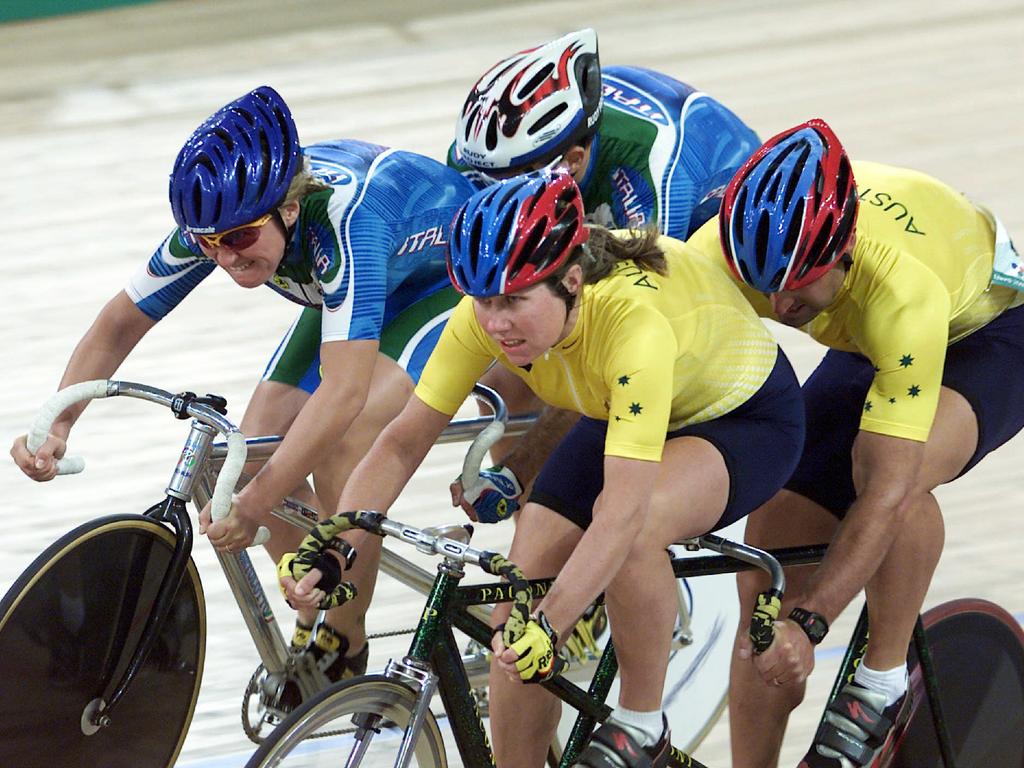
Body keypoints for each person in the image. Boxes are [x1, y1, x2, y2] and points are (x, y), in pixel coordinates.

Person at [284, 169, 806, 768]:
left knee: (634, 531)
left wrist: (554, 625)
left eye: (513, 301)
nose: (495, 322)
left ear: (573, 283)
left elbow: (622, 511)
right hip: (625, 409)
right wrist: (336, 545)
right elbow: (402, 443)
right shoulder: (482, 317)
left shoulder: (633, 328)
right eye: (483, 301)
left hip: (739, 420)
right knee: (514, 618)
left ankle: (640, 727)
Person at [10, 85, 475, 696]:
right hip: (359, 281)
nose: (224, 258)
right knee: (252, 451)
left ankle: (345, 634)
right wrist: (63, 417)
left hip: (443, 281)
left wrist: (255, 506)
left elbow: (344, 396)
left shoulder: (346, 223)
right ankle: (317, 616)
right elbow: (122, 319)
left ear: (287, 207)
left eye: (238, 240)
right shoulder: (223, 219)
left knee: (342, 443)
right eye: (208, 245)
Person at [686, 118, 1024, 768]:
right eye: (767, 284)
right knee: (767, 574)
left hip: (984, 333)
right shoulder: (715, 255)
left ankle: (880, 681)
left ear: (843, 250)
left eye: (798, 283)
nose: (782, 305)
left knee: (893, 472)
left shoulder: (901, 290)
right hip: (864, 332)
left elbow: (888, 491)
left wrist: (812, 622)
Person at [446, 26, 763, 531]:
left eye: (513, 182)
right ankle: (547, 526)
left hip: (710, 211)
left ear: (573, 160)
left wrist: (520, 465)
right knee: (513, 369)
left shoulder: (652, 173)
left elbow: (619, 343)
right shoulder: (491, 156)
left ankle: (634, 526)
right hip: (598, 210)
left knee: (620, 361)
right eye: (488, 181)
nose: (497, 194)